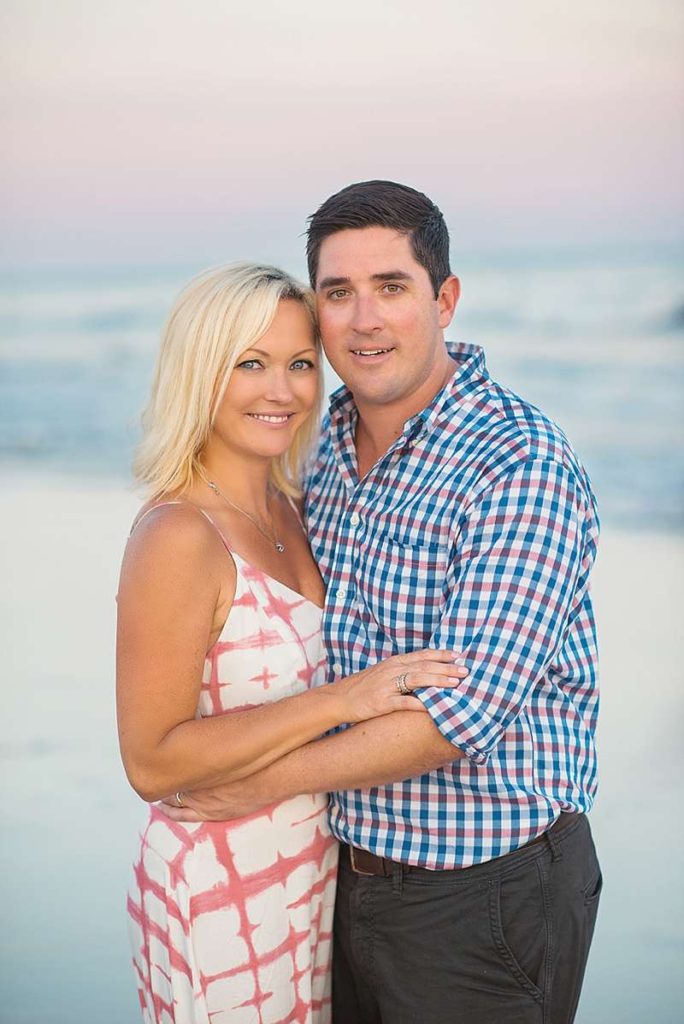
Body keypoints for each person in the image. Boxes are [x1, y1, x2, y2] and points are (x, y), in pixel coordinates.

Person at [161, 182, 602, 1024]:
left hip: (482, 894)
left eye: (392, 287)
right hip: (337, 875)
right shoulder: (313, 443)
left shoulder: (519, 464)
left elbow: (458, 717)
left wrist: (252, 781)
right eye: (338, 293)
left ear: (445, 299)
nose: (364, 319)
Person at [116, 261, 470, 1023]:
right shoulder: (179, 534)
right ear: (199, 371)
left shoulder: (294, 506)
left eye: (300, 365)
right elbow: (150, 761)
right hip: (219, 876)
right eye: (250, 363)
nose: (282, 392)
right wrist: (340, 700)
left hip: (310, 872)